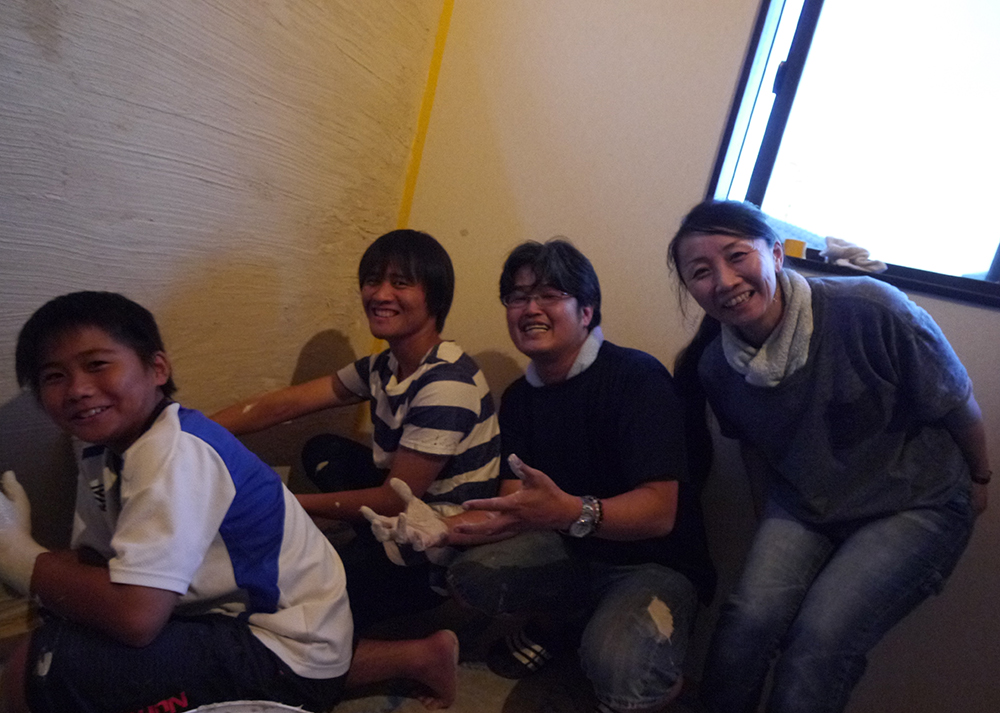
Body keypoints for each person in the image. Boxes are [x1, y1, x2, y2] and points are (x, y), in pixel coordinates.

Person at [0, 291, 459, 713]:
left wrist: (16, 555)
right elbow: (97, 563)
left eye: (98, 364)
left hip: (286, 645)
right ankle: (416, 656)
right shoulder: (100, 447)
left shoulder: (172, 453)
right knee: (67, 615)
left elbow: (135, 617)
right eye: (54, 376)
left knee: (36, 667)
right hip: (304, 630)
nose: (77, 388)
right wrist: (37, 563)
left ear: (158, 369)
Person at [668, 200, 990, 713]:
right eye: (701, 272)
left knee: (819, 641)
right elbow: (756, 449)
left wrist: (980, 478)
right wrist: (767, 523)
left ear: (776, 253)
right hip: (807, 501)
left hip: (916, 499)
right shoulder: (717, 367)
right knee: (747, 619)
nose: (724, 281)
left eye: (736, 256)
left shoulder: (869, 306)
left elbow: (956, 400)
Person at [435, 239, 716, 713]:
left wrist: (568, 511)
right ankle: (558, 622)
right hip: (568, 550)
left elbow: (660, 513)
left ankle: (648, 671)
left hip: (654, 561)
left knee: (621, 670)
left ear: (586, 311)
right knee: (469, 576)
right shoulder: (520, 397)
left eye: (549, 295)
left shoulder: (636, 377)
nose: (530, 309)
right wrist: (437, 528)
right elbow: (514, 505)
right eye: (518, 297)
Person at [211, 229, 501, 633]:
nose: (380, 294)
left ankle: (428, 647)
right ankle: (362, 545)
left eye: (400, 283)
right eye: (372, 281)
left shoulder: (446, 384)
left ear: (434, 297)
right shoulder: (385, 366)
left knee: (298, 609)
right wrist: (192, 428)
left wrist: (280, 502)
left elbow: (394, 500)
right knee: (323, 450)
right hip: (403, 504)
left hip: (433, 544)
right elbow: (286, 404)